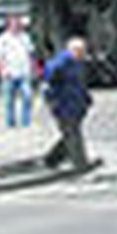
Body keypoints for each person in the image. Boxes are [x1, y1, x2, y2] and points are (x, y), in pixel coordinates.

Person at [41, 37, 93, 171]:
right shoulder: (62, 62)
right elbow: (49, 80)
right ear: (74, 50)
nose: (84, 54)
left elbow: (80, 83)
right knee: (73, 133)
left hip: (76, 104)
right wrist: (53, 102)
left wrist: (87, 99)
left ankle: (52, 158)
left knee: (69, 133)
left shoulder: (77, 63)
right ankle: (80, 164)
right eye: (82, 51)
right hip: (64, 105)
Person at [0, 17, 35, 129]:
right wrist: (2, 70)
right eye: (14, 24)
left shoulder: (25, 38)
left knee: (28, 96)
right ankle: (10, 123)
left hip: (24, 72)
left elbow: (30, 54)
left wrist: (32, 68)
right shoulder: (2, 39)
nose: (16, 26)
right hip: (9, 73)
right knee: (9, 100)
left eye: (18, 24)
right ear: (9, 25)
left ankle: (26, 122)